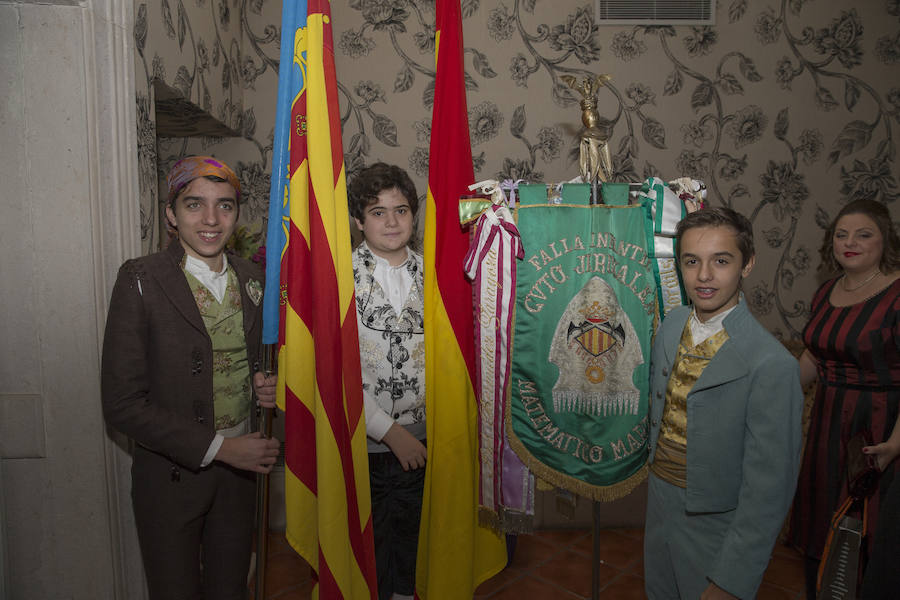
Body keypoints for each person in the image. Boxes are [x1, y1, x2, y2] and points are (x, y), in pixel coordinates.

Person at [101, 156, 280, 600]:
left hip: (239, 478)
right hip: (171, 476)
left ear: (237, 215)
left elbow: (261, 364)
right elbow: (122, 403)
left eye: (224, 206)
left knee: (230, 588)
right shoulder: (141, 279)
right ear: (171, 214)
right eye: (194, 204)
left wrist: (267, 387)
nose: (210, 219)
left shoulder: (254, 279)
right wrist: (221, 448)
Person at [644, 207, 804, 600]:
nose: (704, 276)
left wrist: (733, 578)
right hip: (660, 509)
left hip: (718, 526)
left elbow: (768, 490)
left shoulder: (772, 365)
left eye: (721, 261)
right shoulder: (670, 327)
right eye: (691, 261)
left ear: (747, 264)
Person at [789, 199, 900, 599]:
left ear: (884, 240)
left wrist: (897, 442)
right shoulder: (826, 292)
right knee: (822, 526)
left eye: (863, 234)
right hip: (827, 425)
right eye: (841, 235)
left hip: (880, 432)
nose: (850, 242)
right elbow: (812, 357)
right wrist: (767, 389)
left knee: (868, 537)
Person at [349, 163, 426, 600]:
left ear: (413, 216)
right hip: (363, 442)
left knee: (412, 550)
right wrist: (388, 431)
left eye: (401, 210)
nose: (392, 221)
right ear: (359, 221)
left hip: (423, 438)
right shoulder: (339, 279)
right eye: (378, 212)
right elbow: (334, 372)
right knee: (371, 550)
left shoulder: (435, 276)